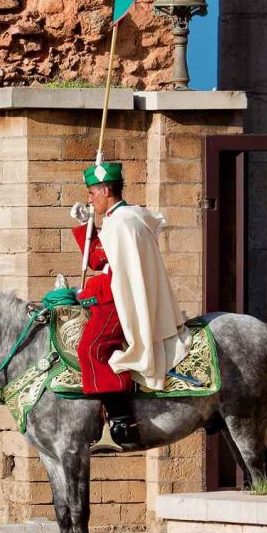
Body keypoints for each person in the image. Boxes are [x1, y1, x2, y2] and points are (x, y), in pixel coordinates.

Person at [70, 162, 190, 453]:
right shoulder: (117, 219)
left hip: (118, 301)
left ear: (105, 190)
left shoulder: (124, 222)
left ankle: (121, 422)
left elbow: (114, 275)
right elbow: (99, 260)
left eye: (91, 193)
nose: (89, 199)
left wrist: (89, 291)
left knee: (91, 348)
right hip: (113, 295)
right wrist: (86, 226)